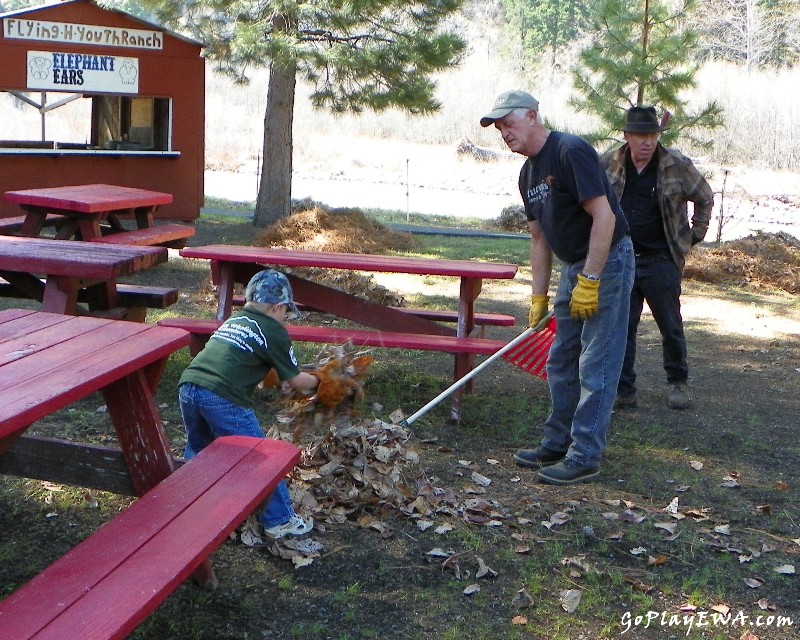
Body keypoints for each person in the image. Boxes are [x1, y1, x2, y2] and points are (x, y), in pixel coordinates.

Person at [480, 90, 634, 485]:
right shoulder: (527, 173)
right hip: (573, 267)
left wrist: (592, 278)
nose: (504, 133)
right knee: (560, 358)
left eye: (508, 124)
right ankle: (557, 441)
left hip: (607, 262)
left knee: (596, 361)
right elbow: (538, 239)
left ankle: (585, 455)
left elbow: (604, 217)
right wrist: (537, 296)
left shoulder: (570, 151)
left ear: (532, 116)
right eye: (499, 128)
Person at [178, 269, 318, 538]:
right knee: (259, 457)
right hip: (223, 397)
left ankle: (192, 508)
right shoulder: (274, 330)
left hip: (189, 386)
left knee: (200, 452)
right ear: (278, 306)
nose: (284, 317)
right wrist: (322, 382)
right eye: (285, 311)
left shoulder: (236, 319)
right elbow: (297, 381)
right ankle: (280, 520)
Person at [601, 106, 714, 410]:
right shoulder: (609, 163)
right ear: (627, 136)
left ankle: (678, 382)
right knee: (622, 327)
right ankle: (624, 390)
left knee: (670, 323)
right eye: (640, 135)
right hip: (621, 257)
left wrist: (695, 234)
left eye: (651, 134)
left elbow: (704, 195)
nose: (646, 141)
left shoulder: (675, 164)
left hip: (661, 258)